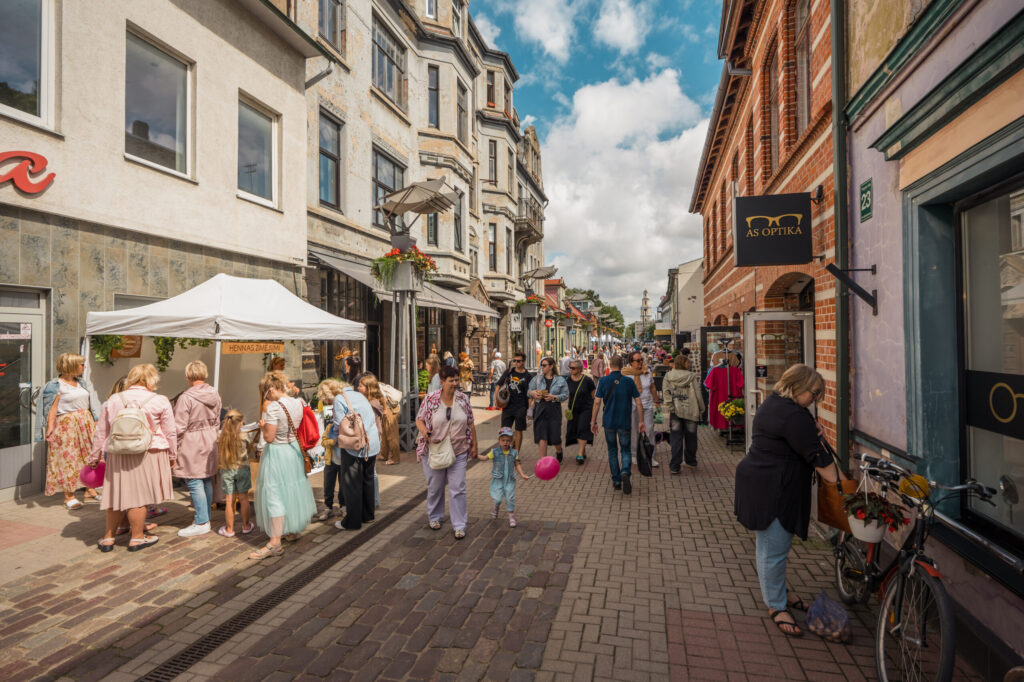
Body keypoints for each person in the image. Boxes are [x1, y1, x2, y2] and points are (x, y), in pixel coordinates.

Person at [734, 364, 842, 637]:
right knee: (774, 550)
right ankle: (776, 605)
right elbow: (819, 459)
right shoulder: (793, 415)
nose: (815, 399)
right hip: (775, 490)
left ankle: (777, 591)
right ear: (797, 386)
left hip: (761, 483)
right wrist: (846, 489)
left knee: (767, 546)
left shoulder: (775, 403)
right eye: (814, 393)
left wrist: (809, 425)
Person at [88, 363, 177, 552]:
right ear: (152, 380)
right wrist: (173, 454)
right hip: (148, 451)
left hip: (118, 452)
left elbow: (101, 431)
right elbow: (171, 432)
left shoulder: (114, 399)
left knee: (116, 494)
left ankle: (108, 538)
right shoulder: (160, 400)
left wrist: (94, 455)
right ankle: (137, 538)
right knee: (139, 496)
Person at [251, 371, 317, 559]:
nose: (267, 396)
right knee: (292, 490)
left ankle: (274, 543)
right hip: (293, 451)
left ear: (271, 389)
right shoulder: (298, 402)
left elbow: (269, 438)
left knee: (274, 494)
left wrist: (263, 426)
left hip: (278, 452)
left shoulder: (273, 408)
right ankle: (292, 530)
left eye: (266, 392)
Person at [415, 365, 478, 539]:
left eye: (457, 380)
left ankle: (459, 525)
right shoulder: (431, 399)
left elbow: (471, 422)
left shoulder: (463, 399)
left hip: (458, 450)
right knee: (435, 487)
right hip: (435, 449)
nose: (455, 383)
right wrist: (424, 432)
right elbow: (419, 419)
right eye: (451, 381)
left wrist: (474, 446)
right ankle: (435, 516)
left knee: (458, 488)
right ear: (442, 382)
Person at [40, 352, 100, 509]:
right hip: (67, 425)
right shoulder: (55, 386)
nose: (83, 367)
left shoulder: (82, 383)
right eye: (81, 364)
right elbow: (51, 409)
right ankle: (69, 496)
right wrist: (50, 428)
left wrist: (96, 420)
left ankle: (90, 489)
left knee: (89, 456)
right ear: (71, 365)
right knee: (68, 459)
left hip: (86, 423)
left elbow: (89, 404)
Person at [173, 361, 223, 537]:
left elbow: (179, 426)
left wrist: (174, 446)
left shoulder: (186, 398)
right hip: (210, 437)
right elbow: (217, 420)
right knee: (206, 479)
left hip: (191, 441)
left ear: (188, 376)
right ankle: (205, 516)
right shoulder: (215, 394)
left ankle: (201, 521)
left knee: (194, 480)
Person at [591, 355, 644, 495]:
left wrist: (593, 421)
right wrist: (641, 421)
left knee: (612, 450)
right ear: (622, 365)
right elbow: (639, 402)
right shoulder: (628, 381)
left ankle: (616, 480)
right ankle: (625, 470)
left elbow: (597, 402)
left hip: (609, 421)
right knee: (625, 449)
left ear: (610, 365)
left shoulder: (603, 380)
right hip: (624, 421)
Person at [333, 378, 381, 531]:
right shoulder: (359, 395)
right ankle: (368, 515)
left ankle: (352, 522)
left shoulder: (339, 399)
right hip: (372, 443)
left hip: (354, 445)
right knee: (368, 479)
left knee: (352, 484)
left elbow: (339, 425)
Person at [662, 354, 705, 473]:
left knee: (676, 438)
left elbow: (666, 393)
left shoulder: (668, 376)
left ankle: (675, 466)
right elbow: (697, 394)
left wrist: (670, 407)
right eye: (687, 362)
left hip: (676, 411)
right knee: (691, 437)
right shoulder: (691, 376)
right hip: (691, 410)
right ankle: (691, 461)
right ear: (683, 363)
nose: (689, 364)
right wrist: (701, 409)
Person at [478, 426, 529, 527]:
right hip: (498, 480)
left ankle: (511, 516)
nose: (505, 443)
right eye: (503, 440)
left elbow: (517, 464)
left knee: (510, 498)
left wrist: (522, 474)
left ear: (511, 441)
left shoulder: (514, 452)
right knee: (497, 499)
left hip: (510, 480)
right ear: (499, 440)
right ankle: (496, 507)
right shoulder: (495, 452)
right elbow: (484, 458)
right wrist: (476, 455)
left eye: (508, 441)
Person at [216, 409, 254, 537]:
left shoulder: (221, 437)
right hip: (242, 468)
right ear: (241, 422)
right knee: (244, 498)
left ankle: (229, 529)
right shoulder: (244, 436)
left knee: (229, 500)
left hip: (227, 469)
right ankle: (246, 525)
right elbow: (250, 447)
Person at [314, 379, 346, 520]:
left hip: (343, 450)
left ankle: (343, 506)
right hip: (331, 451)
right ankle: (328, 507)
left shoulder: (343, 403)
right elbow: (328, 428)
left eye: (327, 397)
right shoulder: (327, 406)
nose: (326, 400)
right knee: (328, 481)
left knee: (343, 481)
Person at [624, 350, 661, 468]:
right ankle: (634, 454)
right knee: (634, 430)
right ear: (631, 362)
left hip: (647, 405)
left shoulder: (647, 371)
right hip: (633, 406)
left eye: (641, 360)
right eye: (637, 360)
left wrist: (657, 401)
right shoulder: (626, 373)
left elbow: (652, 387)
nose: (640, 362)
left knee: (649, 430)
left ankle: (651, 456)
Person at [528, 357, 569, 462]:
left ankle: (559, 451)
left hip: (554, 409)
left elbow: (565, 395)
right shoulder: (537, 378)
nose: (542, 367)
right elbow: (529, 391)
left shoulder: (560, 380)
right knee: (542, 436)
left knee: (555, 437)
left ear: (551, 366)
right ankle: (543, 462)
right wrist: (533, 393)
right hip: (540, 409)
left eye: (544, 365)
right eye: (541, 365)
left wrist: (554, 397)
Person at [360, 373, 399, 466]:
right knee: (385, 434)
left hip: (390, 410)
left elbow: (383, 399)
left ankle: (395, 458)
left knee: (391, 434)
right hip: (385, 410)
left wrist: (385, 410)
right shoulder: (373, 388)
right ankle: (384, 455)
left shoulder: (376, 388)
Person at [496, 351, 532, 451]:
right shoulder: (509, 372)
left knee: (518, 430)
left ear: (523, 362)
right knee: (505, 430)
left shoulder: (527, 376)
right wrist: (496, 400)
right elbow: (498, 385)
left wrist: (529, 409)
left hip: (521, 407)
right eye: (514, 361)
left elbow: (529, 395)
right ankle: (505, 451)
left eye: (518, 361)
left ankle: (516, 453)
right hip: (508, 406)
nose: (516, 363)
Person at [564, 359, 596, 465]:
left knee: (582, 428)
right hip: (573, 410)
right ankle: (583, 450)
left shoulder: (587, 380)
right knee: (576, 430)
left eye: (573, 368)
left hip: (586, 409)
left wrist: (593, 410)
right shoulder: (568, 380)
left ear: (579, 369)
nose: (571, 370)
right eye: (570, 367)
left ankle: (580, 455)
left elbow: (593, 395)